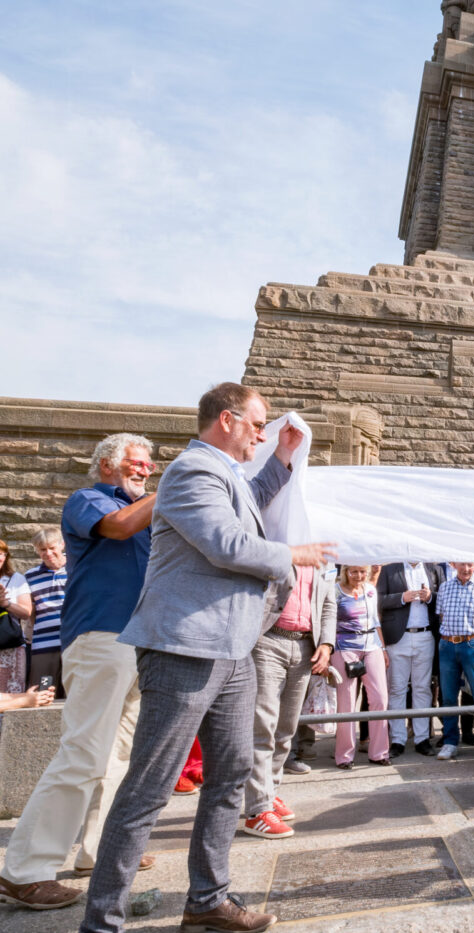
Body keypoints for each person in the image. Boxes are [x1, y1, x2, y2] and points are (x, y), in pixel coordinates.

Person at [77, 382, 335, 933]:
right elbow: (226, 543)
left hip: (233, 646)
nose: (262, 435)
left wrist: (285, 457)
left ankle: (207, 901)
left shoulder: (226, 476)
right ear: (227, 420)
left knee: (232, 774)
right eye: (258, 425)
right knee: (149, 787)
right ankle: (102, 922)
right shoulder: (191, 472)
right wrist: (293, 554)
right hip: (186, 648)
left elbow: (249, 506)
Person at [0, 434, 156, 911]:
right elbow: (120, 527)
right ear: (108, 463)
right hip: (101, 638)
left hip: (139, 642)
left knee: (117, 756)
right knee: (84, 753)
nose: (146, 471)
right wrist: (178, 486)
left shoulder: (145, 509)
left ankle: (97, 850)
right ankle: (24, 870)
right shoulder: (88, 500)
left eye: (152, 465)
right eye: (137, 462)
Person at [242, 562, 336, 839]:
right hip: (267, 642)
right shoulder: (277, 542)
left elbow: (329, 605)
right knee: (263, 726)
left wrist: (327, 644)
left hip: (305, 646)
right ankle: (257, 810)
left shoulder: (325, 561)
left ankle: (268, 793)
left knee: (286, 729)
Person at [377, 561, 442, 757]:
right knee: (397, 689)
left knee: (422, 688)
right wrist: (401, 598)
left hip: (425, 635)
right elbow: (377, 600)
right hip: (398, 637)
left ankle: (422, 738)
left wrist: (431, 597)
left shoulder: (434, 569)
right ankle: (397, 739)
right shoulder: (390, 569)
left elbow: (445, 598)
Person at [435, 562, 474, 761]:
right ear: (454, 565)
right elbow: (442, 616)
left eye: (470, 565)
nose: (466, 569)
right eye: (462, 564)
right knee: (448, 696)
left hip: (473, 644)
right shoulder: (444, 587)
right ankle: (450, 742)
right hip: (447, 645)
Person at [331, 564, 389, 771]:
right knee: (346, 703)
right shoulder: (335, 591)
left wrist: (382, 649)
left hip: (371, 645)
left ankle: (379, 752)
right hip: (344, 648)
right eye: (353, 571)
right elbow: (328, 621)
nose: (358, 575)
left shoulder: (371, 590)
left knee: (380, 698)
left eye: (362, 571)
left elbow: (375, 621)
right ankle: (344, 755)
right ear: (345, 572)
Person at [23, 527, 68, 693]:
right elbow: (30, 612)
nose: (48, 553)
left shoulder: (78, 568)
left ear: (62, 545)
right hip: (44, 644)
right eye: (42, 549)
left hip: (74, 642)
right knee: (42, 694)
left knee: (77, 695)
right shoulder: (30, 576)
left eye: (52, 548)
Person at [0, 538, 31, 698]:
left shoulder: (15, 579)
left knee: (12, 694)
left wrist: (5, 603)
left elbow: (26, 612)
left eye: (1, 554)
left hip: (9, 646)